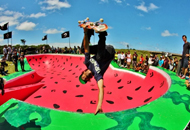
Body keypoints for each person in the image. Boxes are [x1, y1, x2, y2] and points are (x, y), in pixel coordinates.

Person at [79, 27, 115, 115]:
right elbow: (101, 88)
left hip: (102, 48)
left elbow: (87, 48)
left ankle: (90, 32)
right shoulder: (97, 75)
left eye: (82, 78)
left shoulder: (87, 62)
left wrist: (85, 33)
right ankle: (102, 34)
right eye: (85, 80)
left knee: (83, 50)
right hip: (110, 52)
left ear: (83, 72)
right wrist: (99, 105)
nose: (84, 78)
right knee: (99, 57)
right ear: (89, 79)